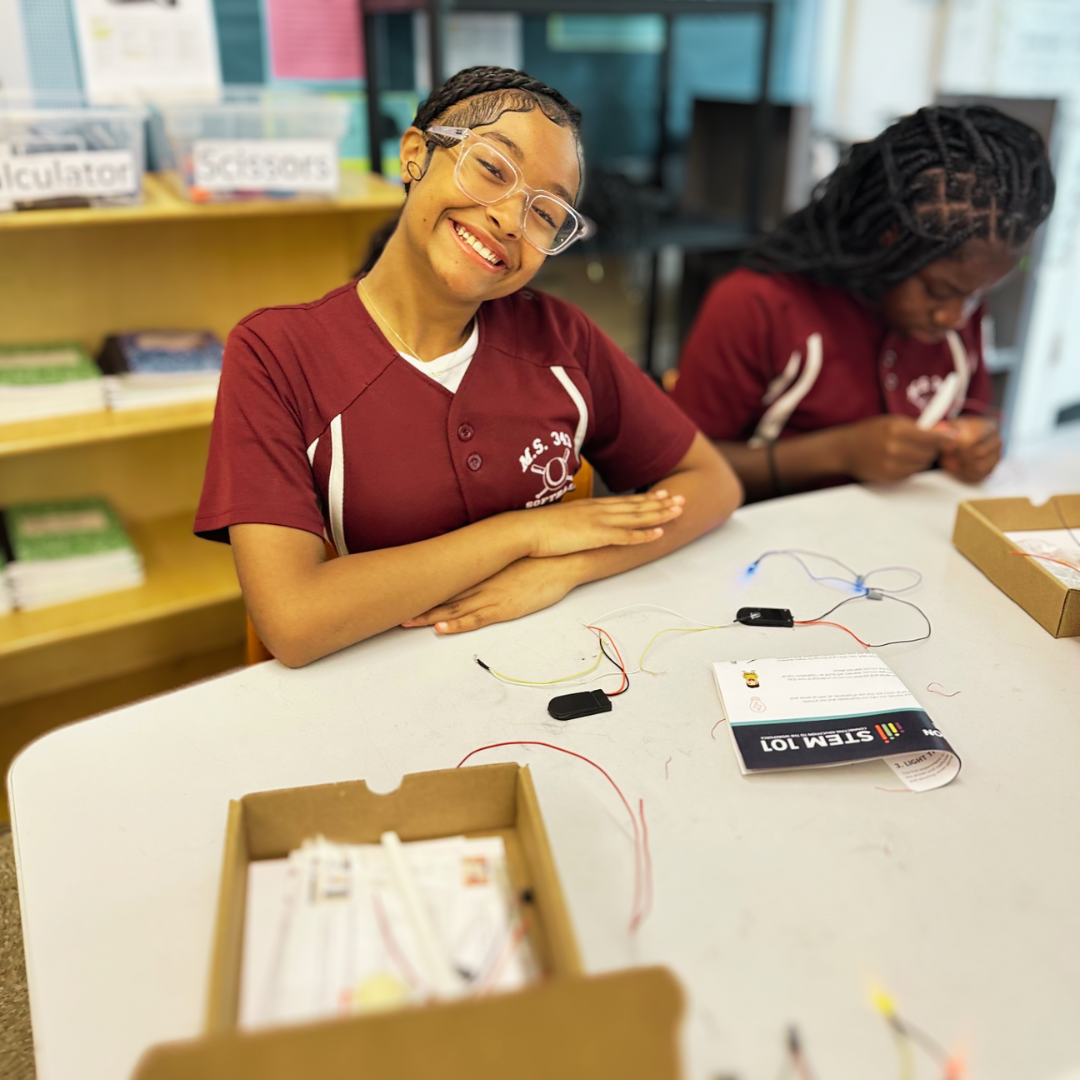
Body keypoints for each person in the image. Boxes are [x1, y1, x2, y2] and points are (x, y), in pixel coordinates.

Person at [195, 67, 742, 668]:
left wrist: (567, 569)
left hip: (544, 667)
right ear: (414, 156)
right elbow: (294, 623)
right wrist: (526, 534)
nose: (510, 218)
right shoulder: (276, 352)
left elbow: (712, 485)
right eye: (491, 168)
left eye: (546, 213)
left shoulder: (562, 338)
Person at [670, 105, 1055, 500]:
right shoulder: (757, 304)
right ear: (886, 239)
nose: (955, 317)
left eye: (977, 294)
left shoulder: (957, 304)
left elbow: (972, 415)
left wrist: (979, 443)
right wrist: (838, 453)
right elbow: (676, 467)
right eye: (939, 292)